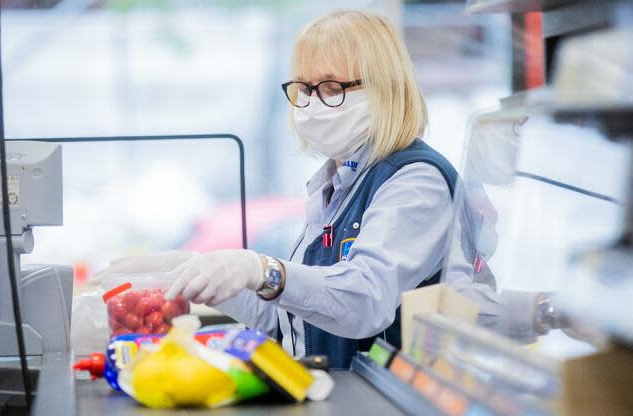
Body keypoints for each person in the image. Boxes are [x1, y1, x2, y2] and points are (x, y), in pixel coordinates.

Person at [96, 10, 576, 368]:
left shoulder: (414, 182)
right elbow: (291, 321)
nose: (310, 104)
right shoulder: (335, 184)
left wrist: (262, 269)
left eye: (331, 87)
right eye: (304, 88)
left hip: (393, 394)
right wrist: (200, 274)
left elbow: (363, 303)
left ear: (385, 88)